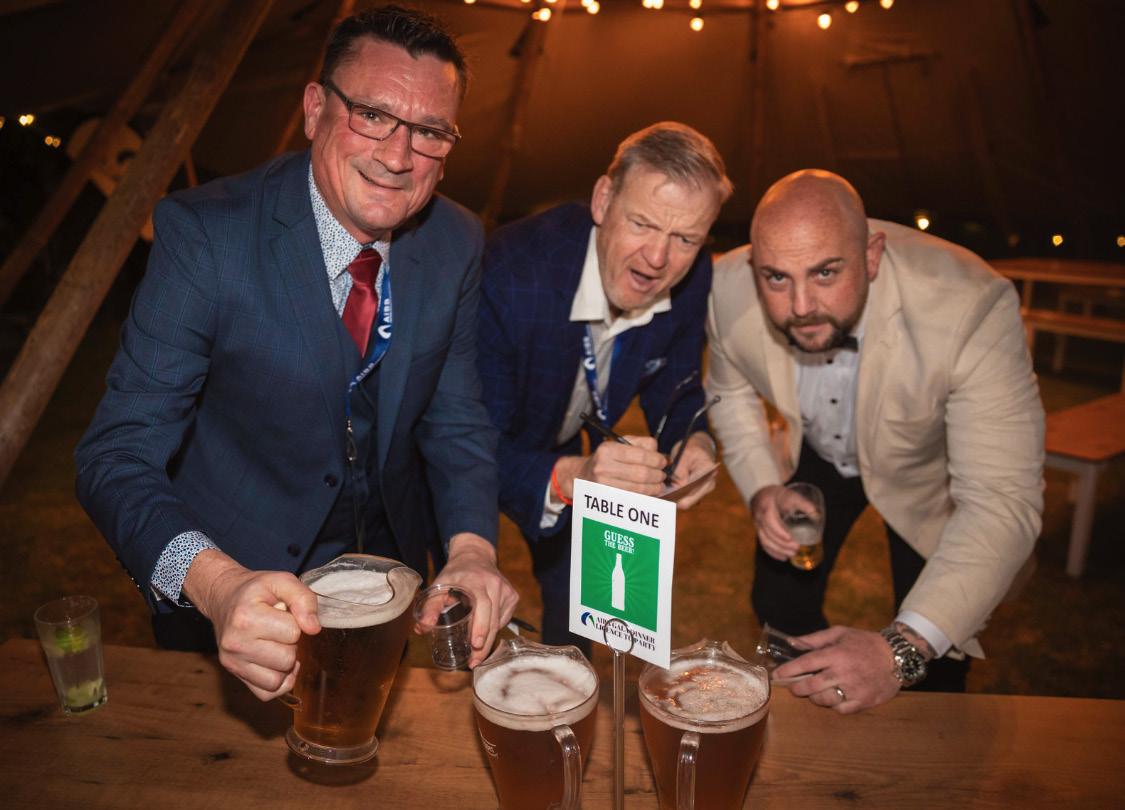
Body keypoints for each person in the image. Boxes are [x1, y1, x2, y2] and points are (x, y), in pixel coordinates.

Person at [75, 6, 518, 700]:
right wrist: (218, 585)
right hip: (235, 601)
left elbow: (455, 420)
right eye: (372, 115)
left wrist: (470, 550)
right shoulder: (207, 236)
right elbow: (115, 456)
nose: (398, 156)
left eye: (430, 132)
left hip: (387, 596)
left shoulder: (456, 239)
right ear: (315, 109)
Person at [707, 169, 1044, 712]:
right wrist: (763, 488)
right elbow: (729, 394)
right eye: (776, 278)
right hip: (819, 451)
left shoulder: (971, 305)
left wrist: (900, 649)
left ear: (871, 256)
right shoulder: (725, 287)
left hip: (927, 468)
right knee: (777, 601)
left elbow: (1003, 498)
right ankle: (809, 721)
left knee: (938, 650)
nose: (801, 306)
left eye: (825, 272)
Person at [478, 122, 732, 652]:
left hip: (569, 438)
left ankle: (569, 681)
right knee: (461, 607)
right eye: (642, 223)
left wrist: (694, 440)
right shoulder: (511, 272)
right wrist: (572, 475)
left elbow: (675, 380)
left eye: (685, 238)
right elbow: (472, 444)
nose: (658, 259)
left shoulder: (692, 276)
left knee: (580, 597)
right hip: (470, 445)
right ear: (602, 200)